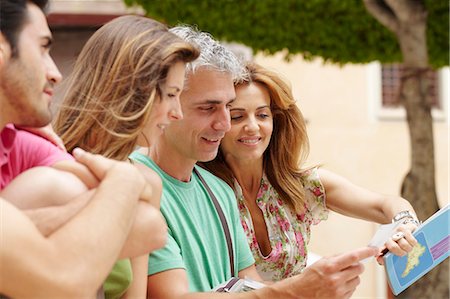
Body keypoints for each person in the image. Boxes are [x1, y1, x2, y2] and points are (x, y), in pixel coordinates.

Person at [129, 25, 377, 299]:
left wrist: (315, 290)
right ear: (165, 101)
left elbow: (249, 283)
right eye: (208, 108)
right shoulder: (133, 185)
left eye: (227, 108)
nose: (224, 124)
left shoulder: (219, 192)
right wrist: (298, 290)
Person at [200, 62, 420, 281]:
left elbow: (384, 205)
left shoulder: (299, 185)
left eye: (262, 115)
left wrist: (405, 224)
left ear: (276, 121)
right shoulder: (201, 193)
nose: (253, 127)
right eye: (237, 116)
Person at [0, 1, 158, 297]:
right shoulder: (121, 173)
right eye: (43, 48)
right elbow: (64, 280)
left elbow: (150, 226)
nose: (55, 72)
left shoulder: (18, 141)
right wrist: (121, 182)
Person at [53, 15, 200, 298]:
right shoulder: (53, 171)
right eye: (171, 94)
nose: (177, 113)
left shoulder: (146, 183)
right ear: (131, 91)